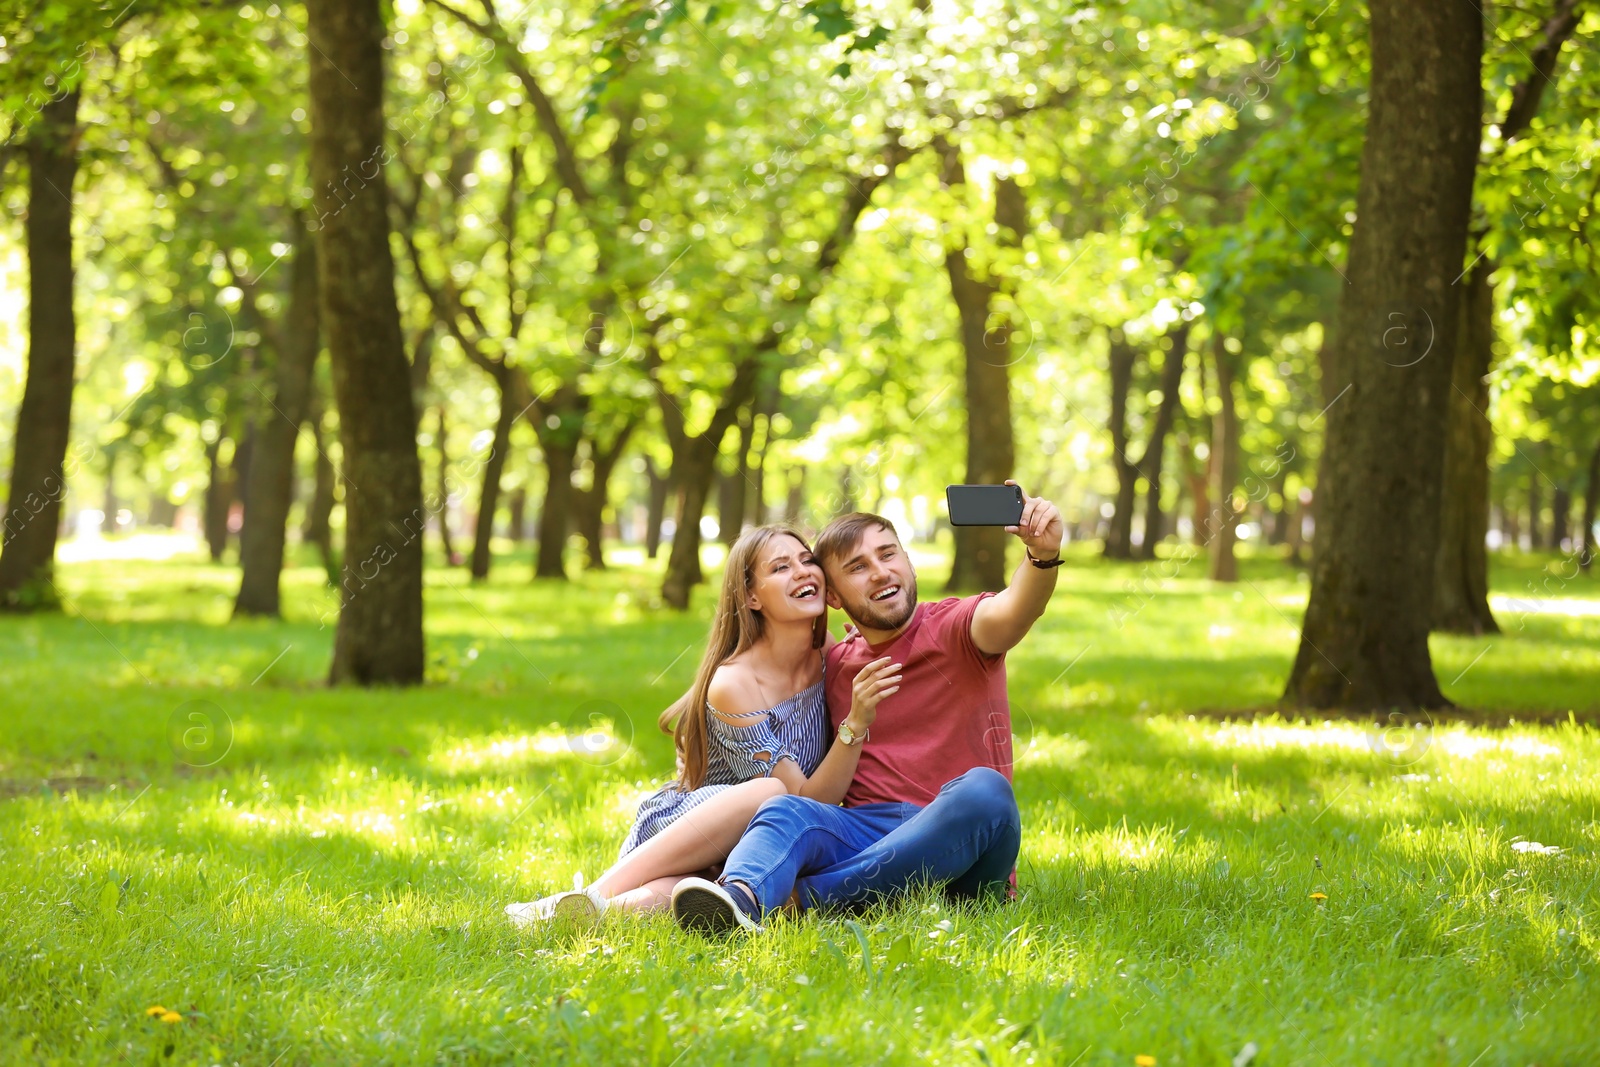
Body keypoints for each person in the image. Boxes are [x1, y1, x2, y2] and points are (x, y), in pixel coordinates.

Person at [670, 481, 1064, 933]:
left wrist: (1041, 557)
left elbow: (1016, 609)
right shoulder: (835, 664)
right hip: (864, 830)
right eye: (858, 566)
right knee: (786, 810)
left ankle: (804, 899)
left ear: (909, 563)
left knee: (986, 791)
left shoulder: (959, 628)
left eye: (888, 554)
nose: (880, 572)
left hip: (960, 845)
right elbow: (773, 681)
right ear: (833, 597)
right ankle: (740, 897)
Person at [504, 524, 899, 925]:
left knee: (694, 891)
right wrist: (854, 725)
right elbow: (806, 802)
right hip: (691, 827)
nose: (801, 572)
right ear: (751, 597)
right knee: (769, 790)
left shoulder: (827, 652)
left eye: (806, 560)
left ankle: (569, 914)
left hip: (757, 840)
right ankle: (596, 890)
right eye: (780, 567)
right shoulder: (735, 684)